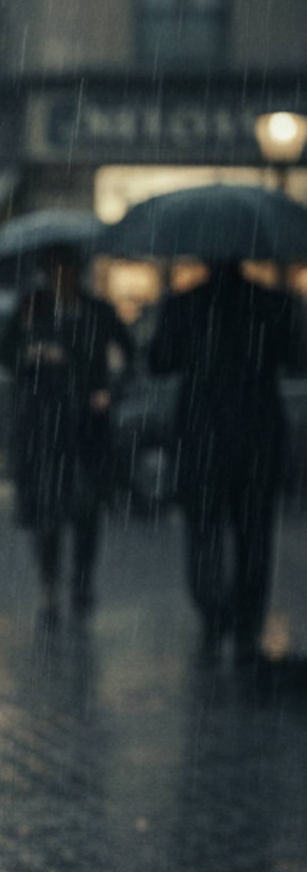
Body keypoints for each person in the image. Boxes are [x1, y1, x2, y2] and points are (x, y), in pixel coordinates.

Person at [149, 261, 304, 661]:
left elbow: (159, 360)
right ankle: (245, 622)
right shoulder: (271, 304)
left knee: (203, 533)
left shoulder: (183, 305)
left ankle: (214, 612)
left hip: (203, 436)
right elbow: (296, 359)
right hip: (256, 436)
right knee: (254, 536)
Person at [0, 249, 132, 617]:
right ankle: (50, 586)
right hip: (43, 426)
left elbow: (130, 356)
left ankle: (82, 583)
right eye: (53, 270)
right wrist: (31, 354)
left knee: (86, 510)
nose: (61, 277)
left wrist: (109, 392)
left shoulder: (97, 312)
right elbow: (4, 352)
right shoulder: (32, 309)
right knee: (46, 512)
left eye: (67, 269)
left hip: (87, 425)